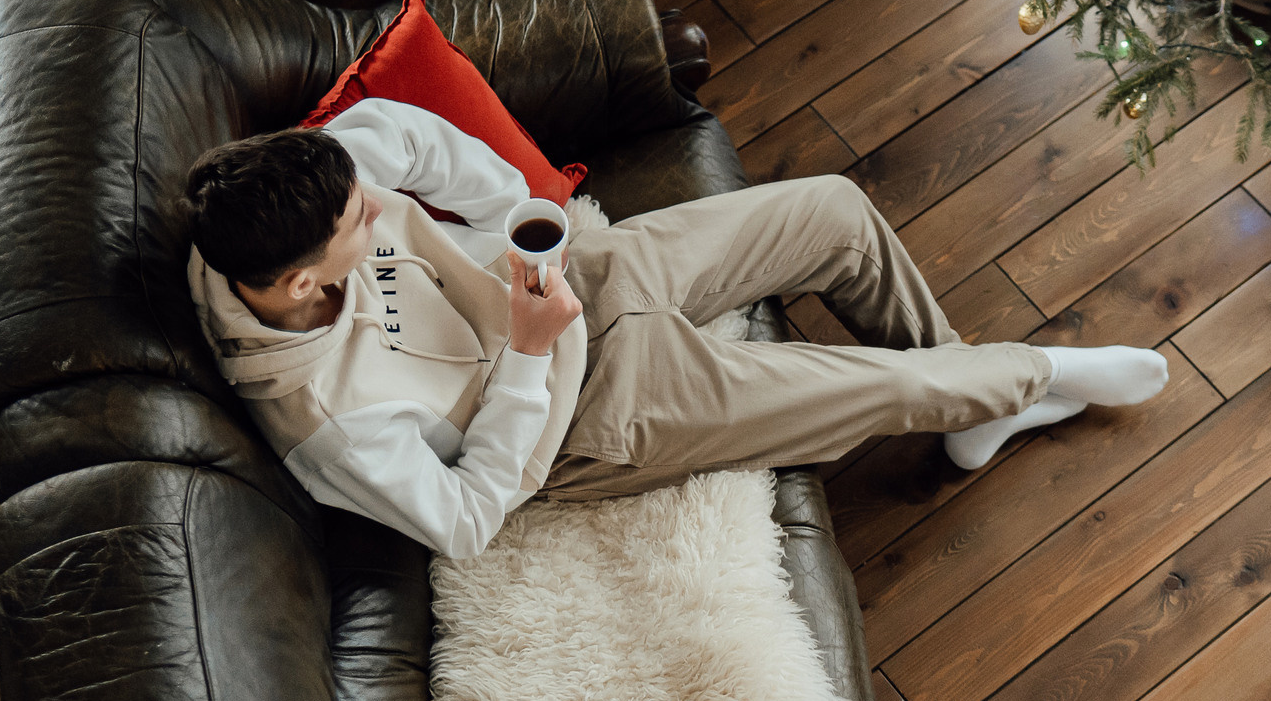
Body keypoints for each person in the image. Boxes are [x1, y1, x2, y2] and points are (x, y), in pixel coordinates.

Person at [184, 99, 1170, 558]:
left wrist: (516, 224)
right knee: (879, 388)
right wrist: (528, 355)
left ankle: (976, 405)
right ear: (305, 282)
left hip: (563, 281)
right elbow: (465, 522)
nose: (377, 207)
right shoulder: (331, 426)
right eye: (364, 221)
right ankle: (1028, 376)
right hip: (580, 423)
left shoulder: (275, 199)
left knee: (830, 210)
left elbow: (397, 132)